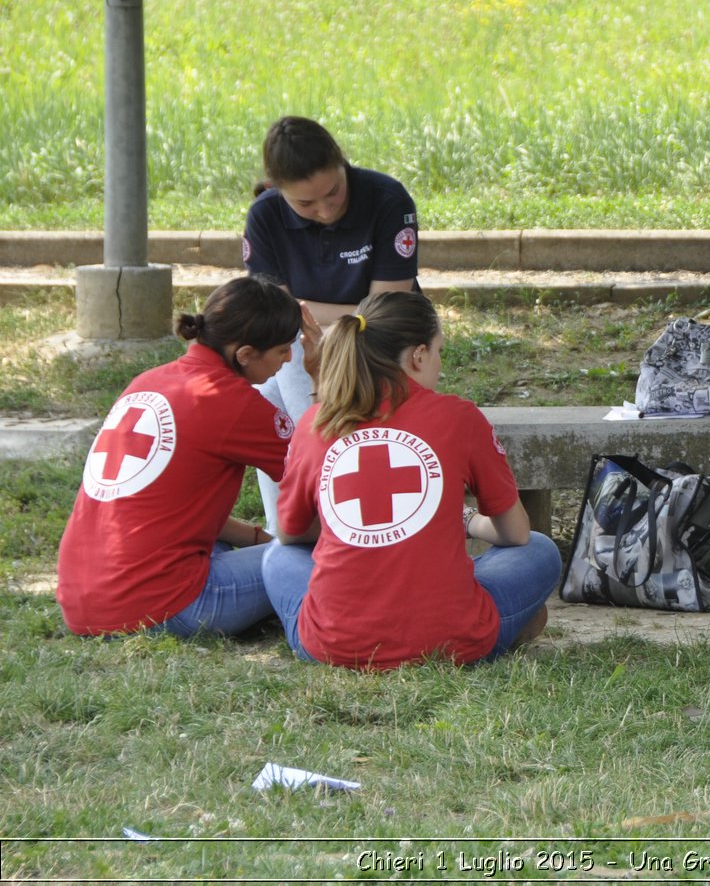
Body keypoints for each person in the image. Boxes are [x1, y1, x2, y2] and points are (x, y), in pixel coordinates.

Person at [261, 291, 561, 669]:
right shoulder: (460, 417)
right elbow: (516, 534)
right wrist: (464, 522)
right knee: (539, 549)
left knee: (277, 556)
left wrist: (350, 530)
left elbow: (290, 534)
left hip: (334, 645)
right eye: (438, 351)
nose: (439, 363)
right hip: (453, 641)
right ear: (418, 355)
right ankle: (497, 616)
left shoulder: (316, 421)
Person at [56, 276, 311, 637]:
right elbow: (330, 478)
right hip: (165, 606)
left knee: (262, 547)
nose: (288, 360)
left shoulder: (146, 381)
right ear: (245, 354)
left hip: (83, 602)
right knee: (310, 556)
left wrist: (258, 538)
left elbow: (170, 506)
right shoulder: (232, 402)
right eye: (284, 349)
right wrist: (321, 375)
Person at [243, 115, 421, 534]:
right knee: (266, 397)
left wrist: (305, 310)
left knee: (292, 355)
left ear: (343, 163)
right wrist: (338, 311)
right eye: (305, 204)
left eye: (333, 192)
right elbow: (276, 314)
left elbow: (384, 309)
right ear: (276, 189)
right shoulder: (265, 217)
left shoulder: (386, 198)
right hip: (306, 346)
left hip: (380, 343)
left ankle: (324, 490)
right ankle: (288, 525)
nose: (324, 210)